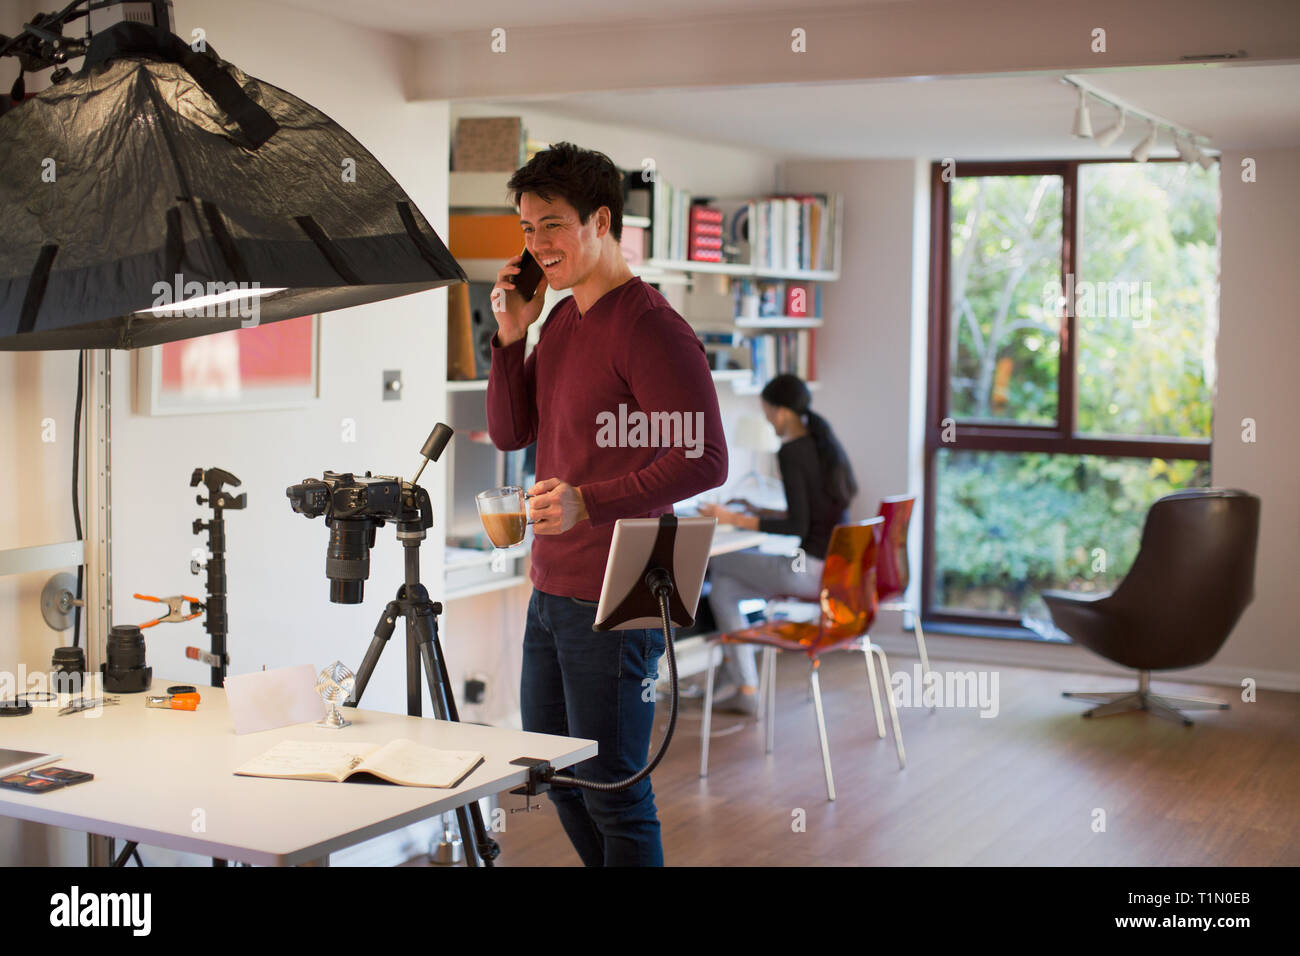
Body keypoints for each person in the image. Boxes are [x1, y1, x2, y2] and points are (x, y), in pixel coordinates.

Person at [485, 142, 727, 867]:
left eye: (552, 225)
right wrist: (508, 336)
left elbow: (704, 457)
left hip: (621, 587)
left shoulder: (648, 325)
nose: (538, 246)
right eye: (527, 229)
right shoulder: (560, 323)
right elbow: (511, 430)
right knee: (555, 774)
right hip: (552, 581)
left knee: (615, 786)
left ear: (602, 219)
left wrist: (592, 501)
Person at [698, 374, 858, 713]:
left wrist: (733, 519)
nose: (768, 420)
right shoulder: (823, 442)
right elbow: (811, 513)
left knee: (717, 563)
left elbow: (797, 525)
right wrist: (760, 510)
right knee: (724, 589)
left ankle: (737, 677)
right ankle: (745, 686)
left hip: (806, 570)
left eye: (767, 412)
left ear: (781, 412)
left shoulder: (791, 452)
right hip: (835, 572)